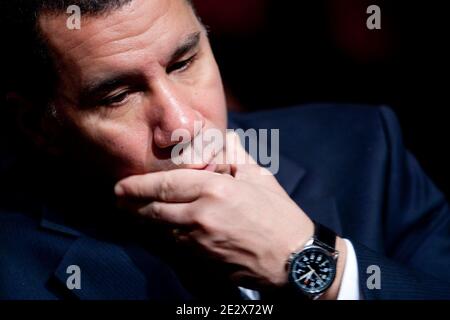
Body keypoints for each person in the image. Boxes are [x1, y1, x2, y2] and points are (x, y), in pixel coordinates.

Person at [1, 0, 449, 300]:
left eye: (184, 62)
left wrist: (317, 265)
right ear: (40, 126)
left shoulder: (366, 149)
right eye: (118, 96)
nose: (182, 126)